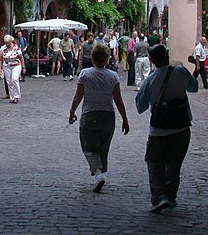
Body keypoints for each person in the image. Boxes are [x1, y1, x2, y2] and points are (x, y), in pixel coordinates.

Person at [136, 47, 198, 212]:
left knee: (154, 161)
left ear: (152, 60)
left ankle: (159, 196)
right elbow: (194, 87)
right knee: (174, 163)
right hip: (182, 126)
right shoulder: (180, 71)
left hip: (159, 129)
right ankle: (170, 196)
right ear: (167, 56)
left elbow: (140, 106)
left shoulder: (151, 79)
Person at [69, 43, 130, 192]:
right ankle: (99, 172)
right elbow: (118, 99)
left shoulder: (85, 74)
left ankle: (98, 174)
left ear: (93, 58)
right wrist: (125, 119)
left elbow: (78, 96)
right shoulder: (113, 76)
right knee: (103, 147)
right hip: (108, 115)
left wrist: (72, 111)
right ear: (107, 58)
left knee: (89, 146)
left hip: (90, 113)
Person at [0, 34, 26, 103]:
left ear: (11, 41)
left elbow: (21, 57)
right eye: (6, 43)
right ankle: (12, 97)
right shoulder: (2, 48)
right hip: (6, 66)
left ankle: (16, 96)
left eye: (8, 43)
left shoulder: (16, 48)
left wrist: (23, 67)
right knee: (9, 82)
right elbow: (0, 59)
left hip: (16, 65)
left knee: (14, 79)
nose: (7, 44)